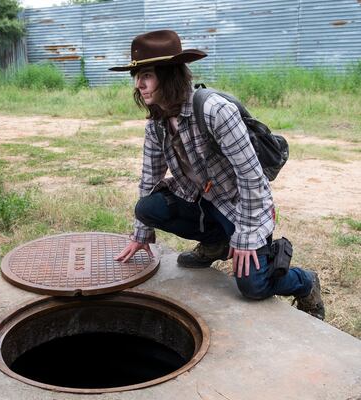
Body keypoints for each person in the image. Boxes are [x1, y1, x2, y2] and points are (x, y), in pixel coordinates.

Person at [111, 30, 324, 320]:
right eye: (136, 76)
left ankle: (306, 283)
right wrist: (141, 234)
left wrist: (246, 236)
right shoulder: (156, 122)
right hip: (202, 201)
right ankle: (216, 243)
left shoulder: (215, 111)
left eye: (146, 75)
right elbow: (150, 176)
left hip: (241, 207)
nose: (139, 85)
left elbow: (252, 177)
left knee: (253, 285)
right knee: (147, 207)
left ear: (169, 74)